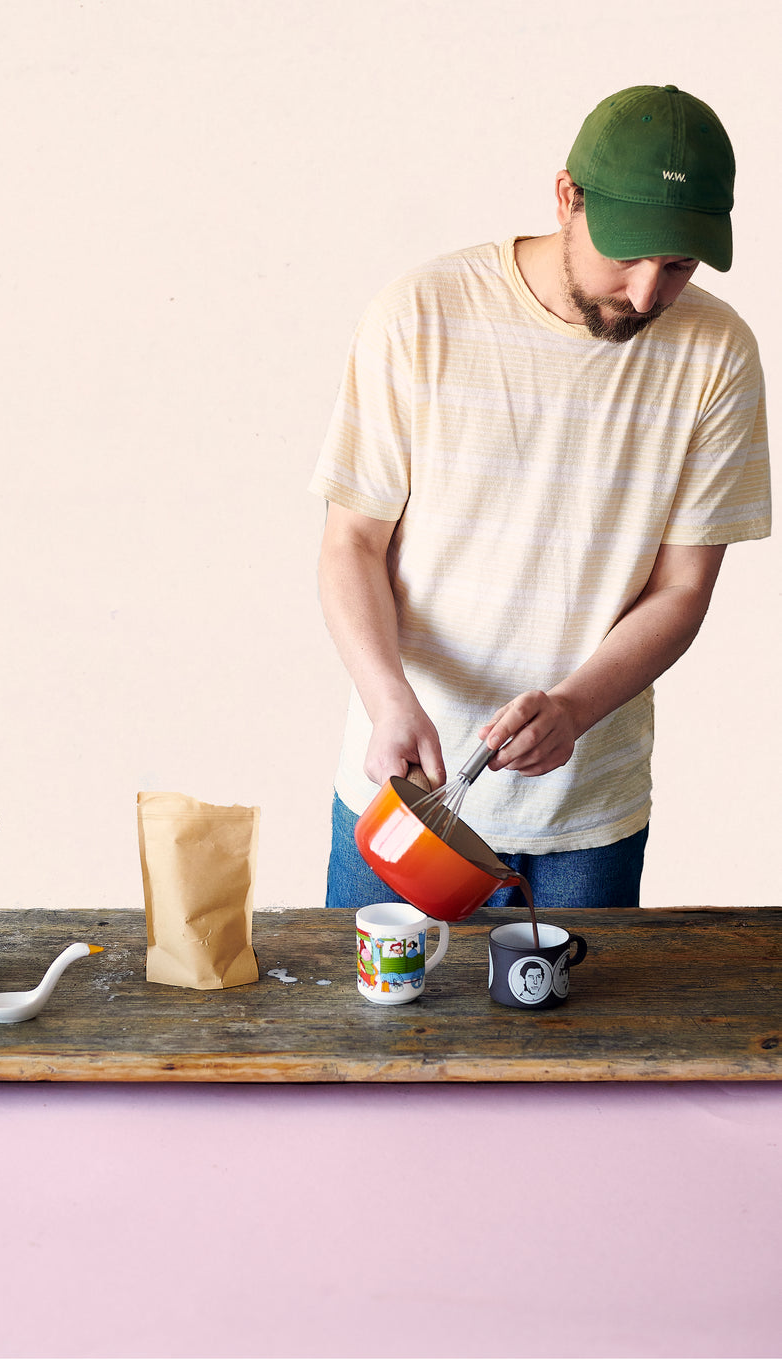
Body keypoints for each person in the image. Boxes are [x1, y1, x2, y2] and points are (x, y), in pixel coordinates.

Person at [309, 84, 771, 913]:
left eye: (675, 266)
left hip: (586, 813)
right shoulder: (418, 315)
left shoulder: (717, 353)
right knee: (369, 1041)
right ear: (566, 197)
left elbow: (681, 590)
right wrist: (386, 698)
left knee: (578, 1045)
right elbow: (351, 545)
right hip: (402, 789)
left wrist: (573, 707)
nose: (643, 295)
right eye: (625, 254)